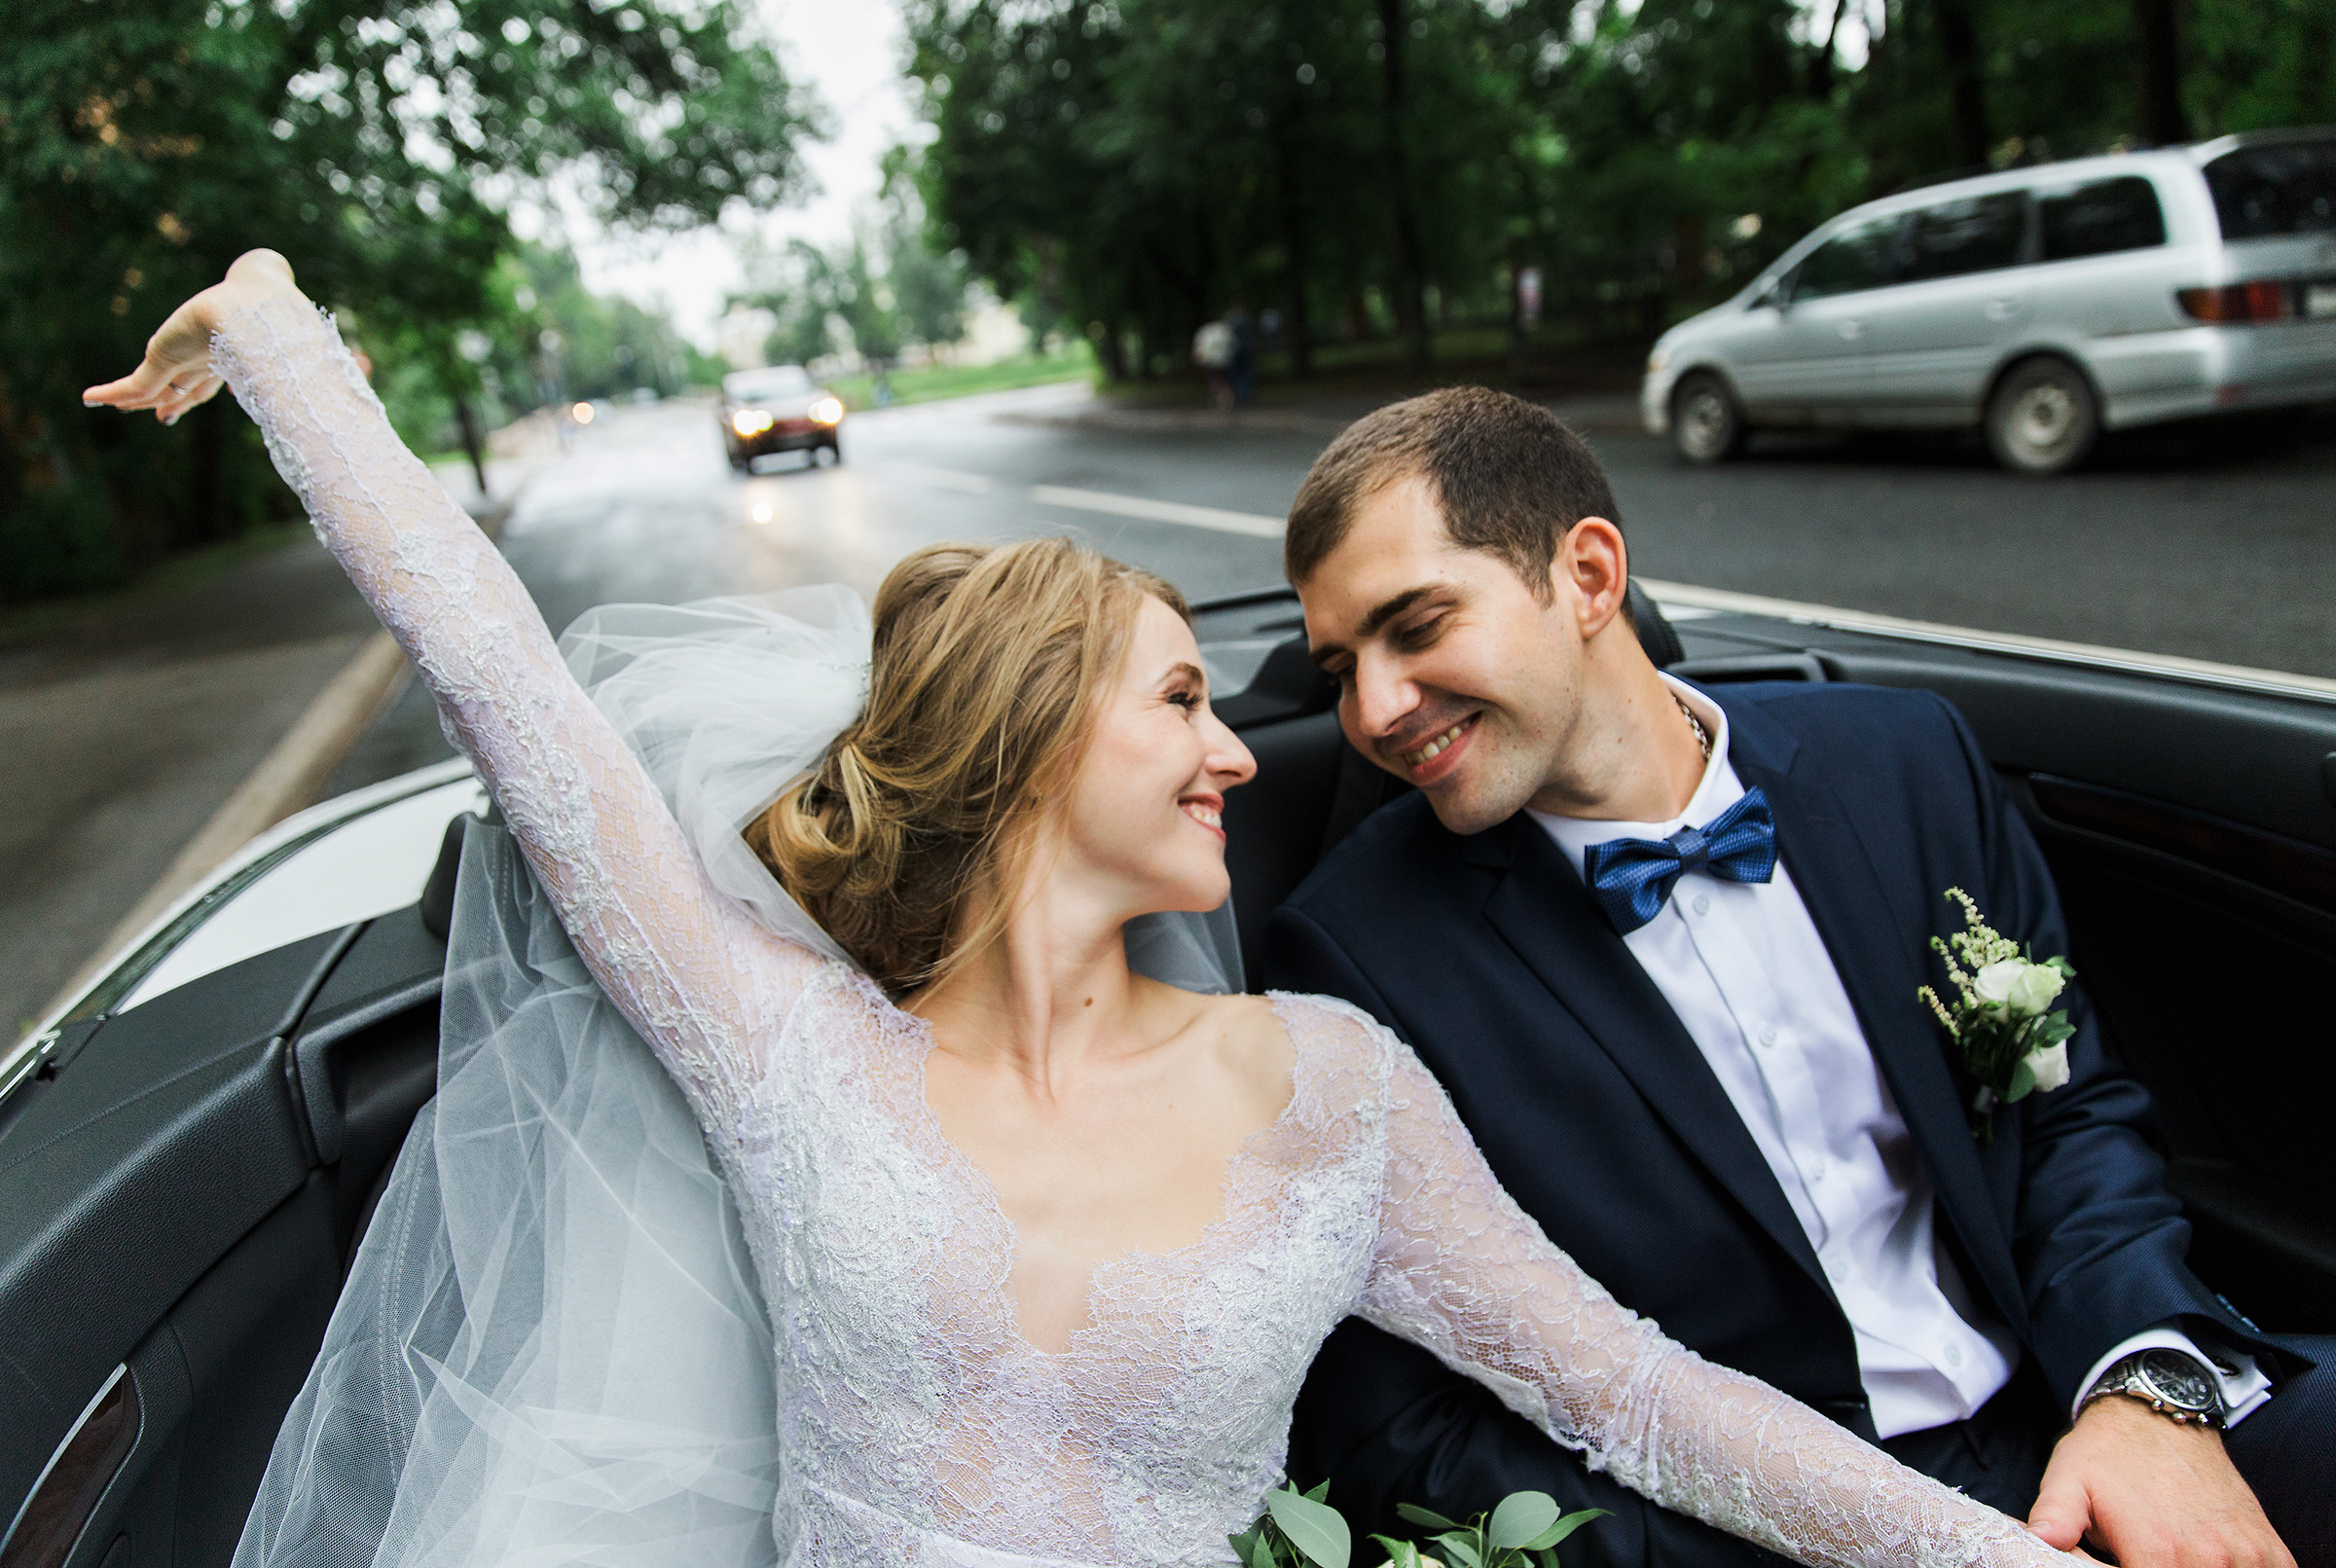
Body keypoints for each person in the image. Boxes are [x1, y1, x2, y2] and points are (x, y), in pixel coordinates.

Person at [90, 251, 2094, 1568]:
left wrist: (2001, 1562)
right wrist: (276, 345)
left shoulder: (1331, 1083)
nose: (1241, 754)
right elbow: (515, 697)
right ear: (1041, 738)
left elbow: (1637, 1391)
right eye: (1185, 700)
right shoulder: (782, 1043)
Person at [1267, 387, 2332, 1568]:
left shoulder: (1906, 759)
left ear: (1588, 575)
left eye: (1416, 626)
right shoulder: (1352, 952)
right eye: (1339, 667)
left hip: (2065, 1397)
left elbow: (2068, 1118)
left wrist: (2142, 1398)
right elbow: (1405, 1426)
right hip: (1753, 1529)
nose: (1372, 709)